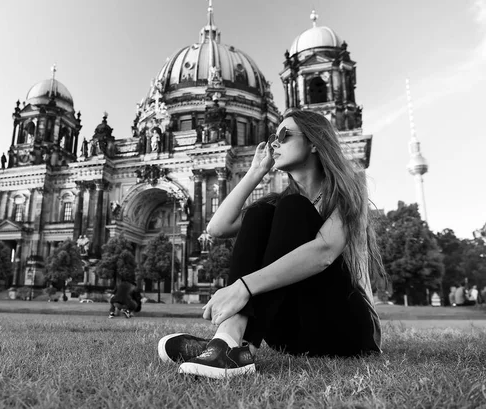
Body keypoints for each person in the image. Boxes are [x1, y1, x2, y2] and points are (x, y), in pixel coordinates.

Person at [157, 110, 385, 379]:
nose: (274, 143)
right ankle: (230, 342)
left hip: (346, 329)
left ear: (314, 142)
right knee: (259, 212)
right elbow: (216, 228)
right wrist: (255, 172)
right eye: (273, 137)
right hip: (289, 335)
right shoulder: (278, 201)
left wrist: (242, 287)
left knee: (292, 207)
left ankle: (230, 348)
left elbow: (324, 252)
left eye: (284, 135)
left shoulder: (348, 189)